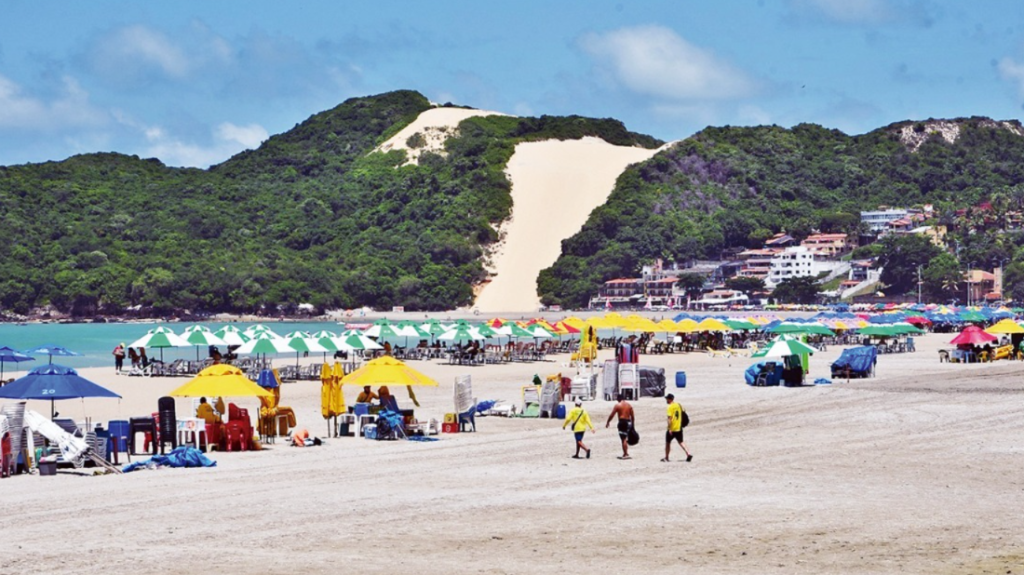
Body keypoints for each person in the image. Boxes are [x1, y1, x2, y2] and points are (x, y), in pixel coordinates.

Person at [663, 393, 692, 463]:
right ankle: (688, 453)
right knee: (681, 442)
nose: (666, 400)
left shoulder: (670, 407)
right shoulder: (679, 405)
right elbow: (684, 412)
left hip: (672, 428)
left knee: (667, 443)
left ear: (669, 399)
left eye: (667, 399)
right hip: (679, 427)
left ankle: (666, 457)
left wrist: (669, 428)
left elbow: (669, 418)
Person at [605, 393, 635, 459]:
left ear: (619, 399)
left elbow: (612, 415)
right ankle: (626, 452)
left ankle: (625, 454)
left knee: (623, 439)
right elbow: (632, 416)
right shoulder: (629, 405)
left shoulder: (618, 405)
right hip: (628, 422)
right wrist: (633, 425)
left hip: (622, 422)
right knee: (626, 438)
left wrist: (608, 422)